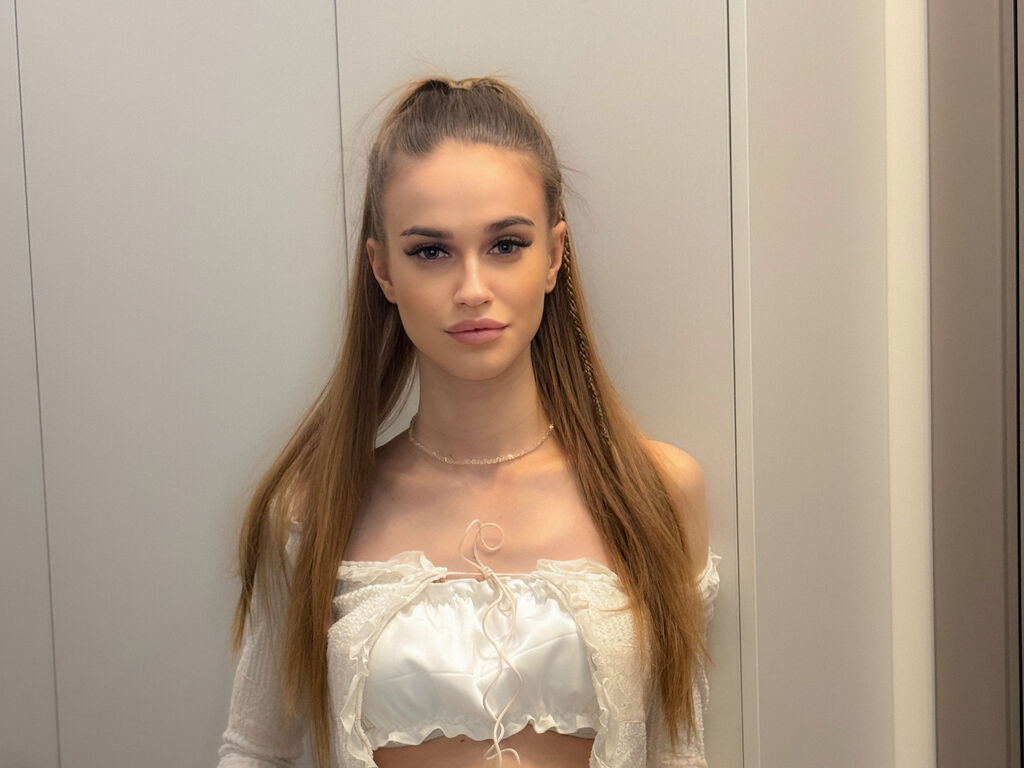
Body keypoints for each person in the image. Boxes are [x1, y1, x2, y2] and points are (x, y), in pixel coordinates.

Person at [217, 76, 720, 768]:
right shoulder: (311, 511)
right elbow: (253, 750)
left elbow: (678, 753)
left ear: (554, 255)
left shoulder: (656, 492)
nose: (473, 289)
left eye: (506, 244)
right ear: (383, 270)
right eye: (431, 251)